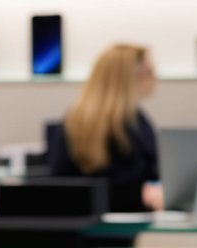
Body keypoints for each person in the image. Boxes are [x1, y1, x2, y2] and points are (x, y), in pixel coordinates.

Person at [49, 43, 163, 213]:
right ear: (130, 77)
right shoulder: (130, 124)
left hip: (90, 225)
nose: (154, 78)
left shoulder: (77, 120)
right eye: (149, 71)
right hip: (98, 225)